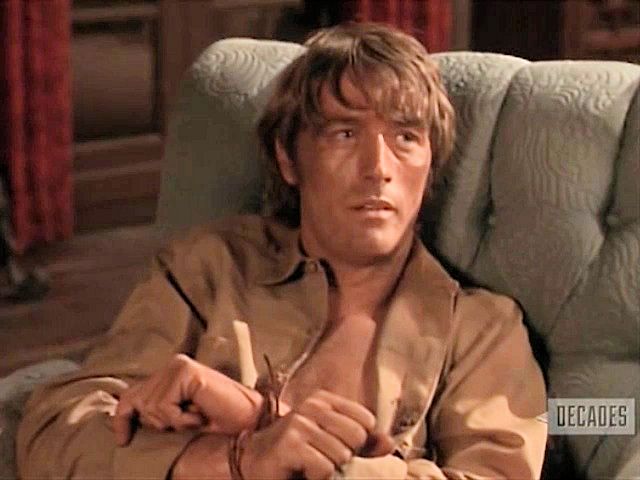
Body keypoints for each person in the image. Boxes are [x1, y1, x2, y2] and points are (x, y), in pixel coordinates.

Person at [17, 23, 547, 479]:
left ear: (430, 166)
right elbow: (55, 430)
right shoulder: (210, 268)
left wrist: (259, 419)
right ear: (289, 158)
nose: (378, 168)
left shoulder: (481, 330)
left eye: (406, 137)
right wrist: (239, 460)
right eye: (344, 134)